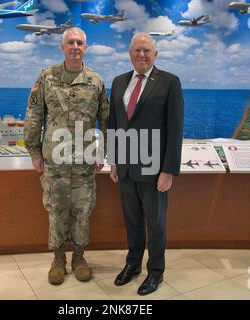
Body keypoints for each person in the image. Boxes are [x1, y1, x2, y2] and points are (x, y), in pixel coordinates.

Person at [24, 27, 109, 285]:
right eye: (70, 42)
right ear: (62, 47)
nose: (75, 47)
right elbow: (33, 116)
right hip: (55, 163)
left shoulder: (95, 81)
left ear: (85, 48)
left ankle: (80, 259)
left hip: (84, 163)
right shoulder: (46, 77)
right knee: (57, 211)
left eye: (80, 43)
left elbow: (105, 119)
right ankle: (58, 260)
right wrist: (34, 151)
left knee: (83, 211)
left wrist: (102, 151)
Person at [108, 32, 184, 295]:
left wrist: (168, 170)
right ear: (130, 53)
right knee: (132, 222)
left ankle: (156, 272)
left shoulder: (170, 82)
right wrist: (114, 161)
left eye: (146, 51)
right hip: (126, 168)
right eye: (136, 50)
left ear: (155, 54)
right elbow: (114, 125)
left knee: (156, 224)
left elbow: (175, 129)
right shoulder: (118, 83)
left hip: (154, 170)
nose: (141, 55)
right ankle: (133, 265)